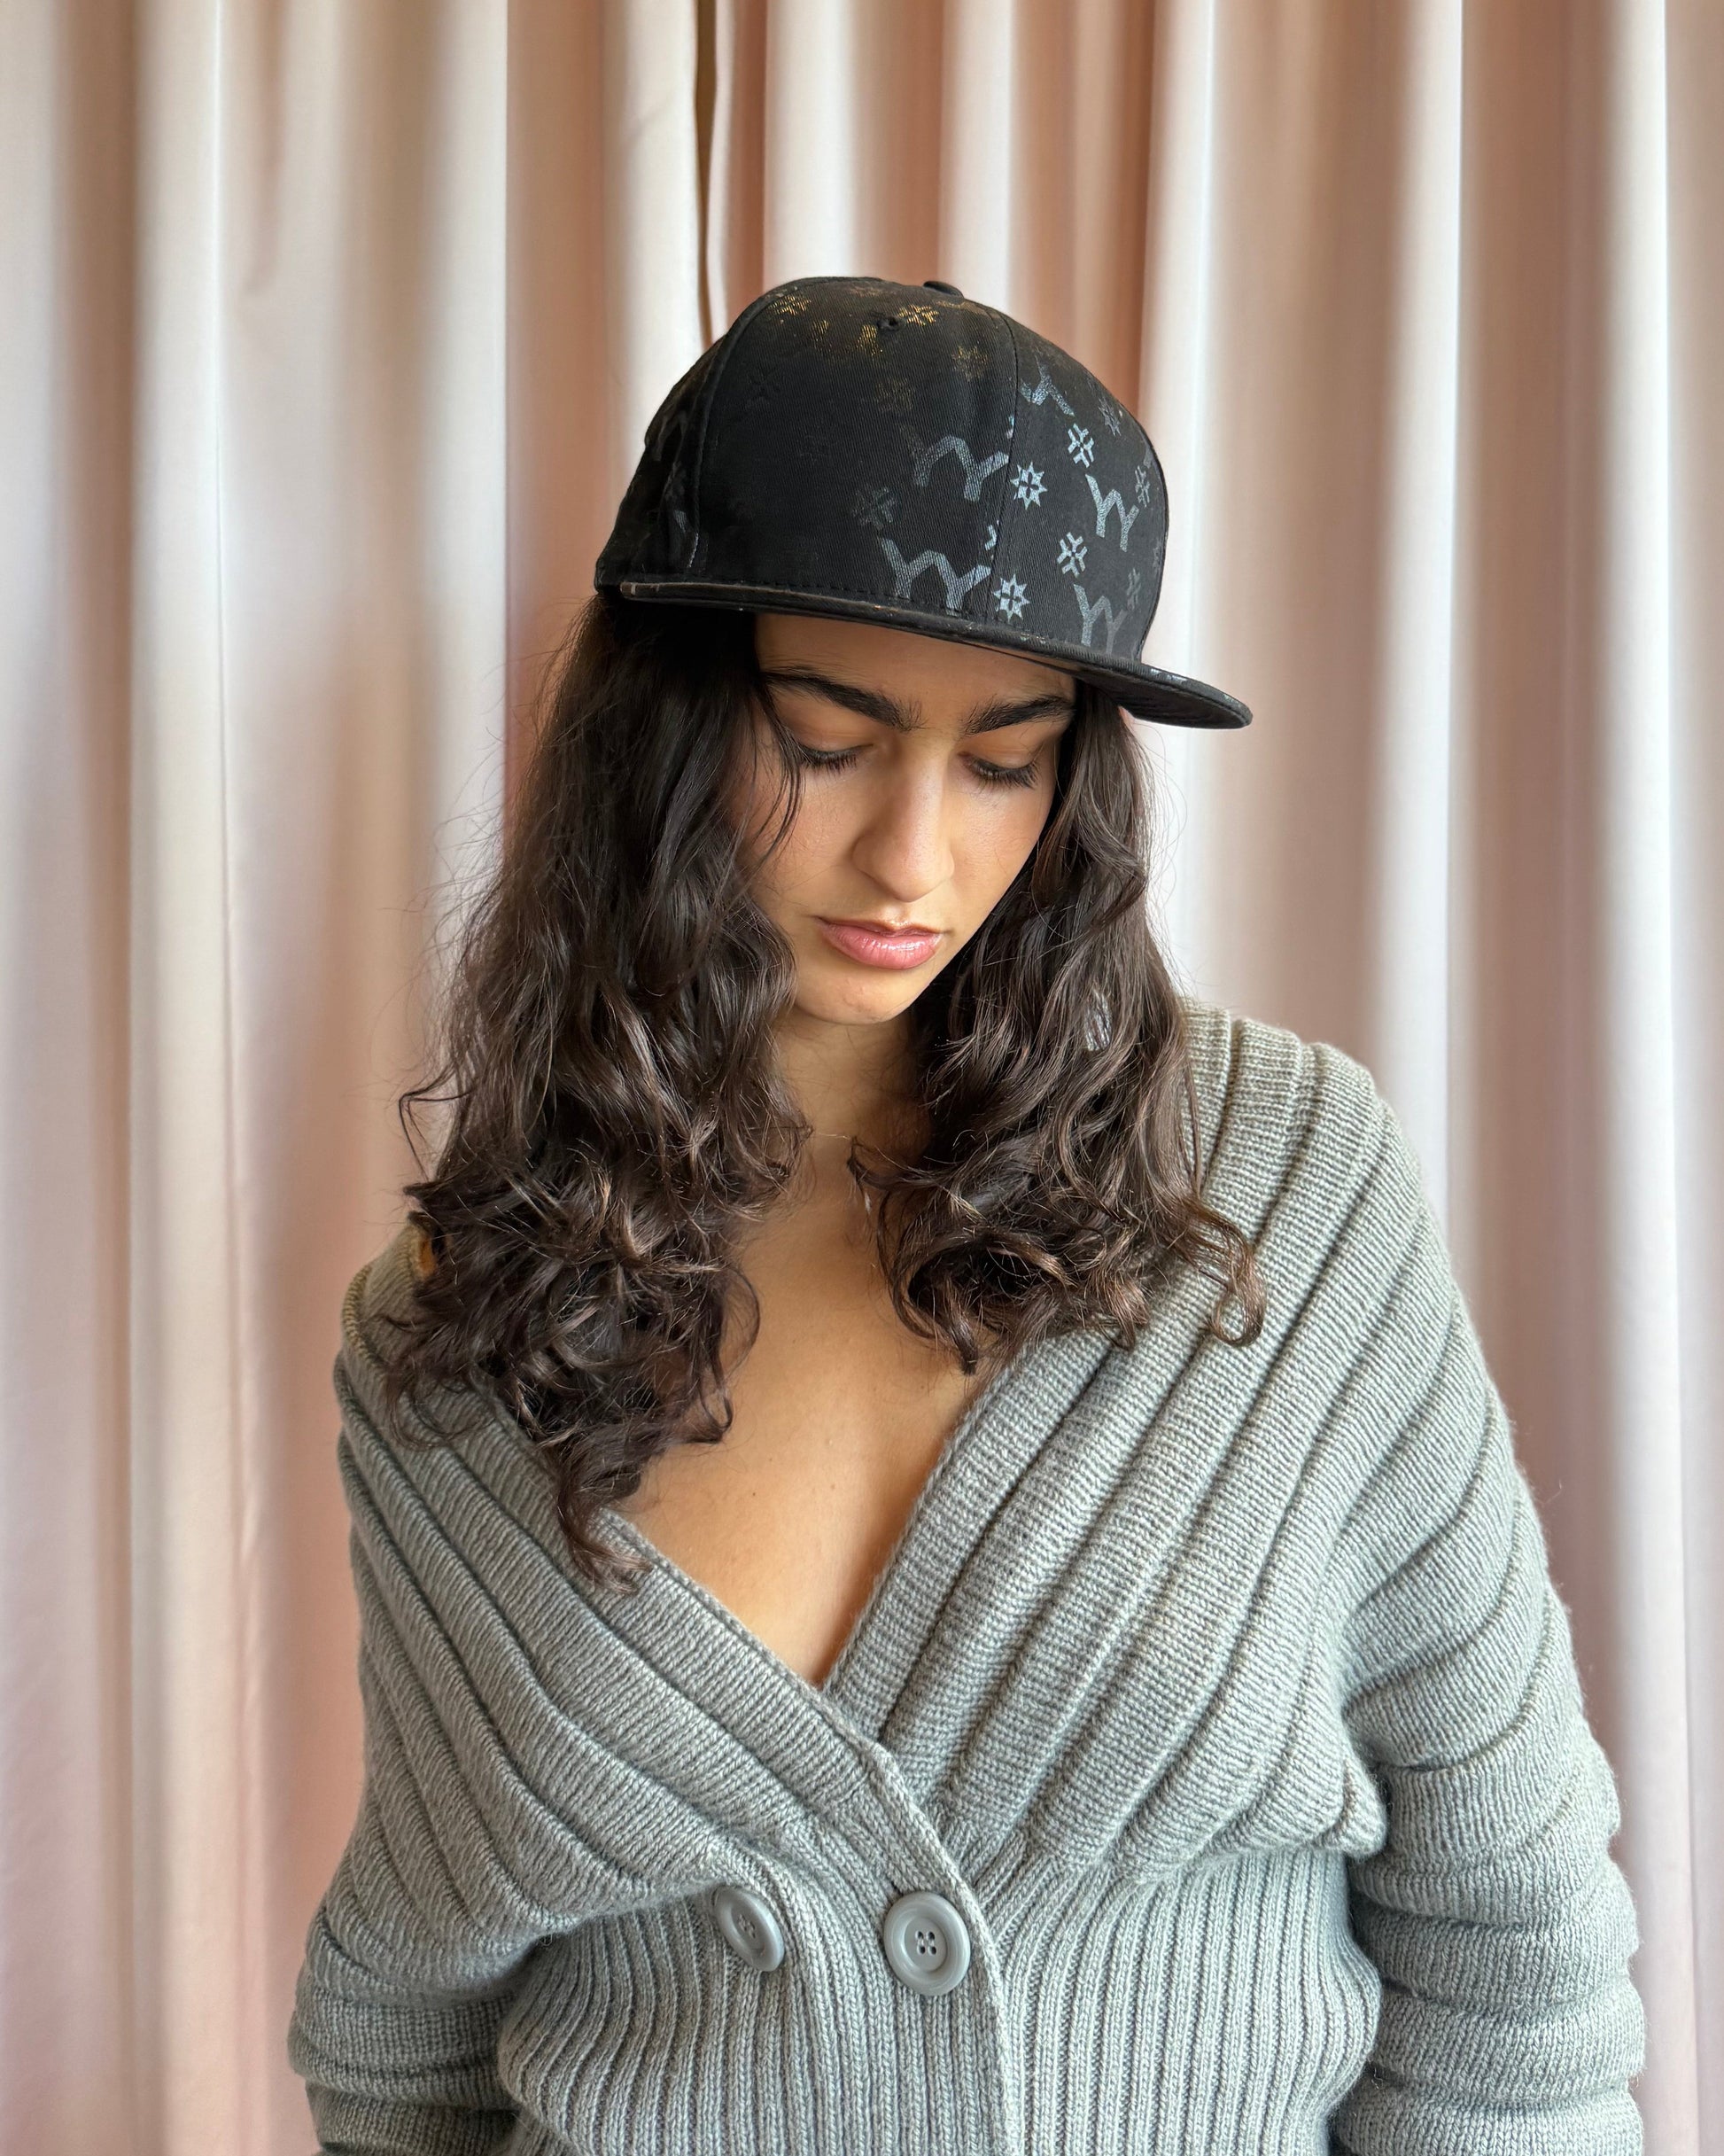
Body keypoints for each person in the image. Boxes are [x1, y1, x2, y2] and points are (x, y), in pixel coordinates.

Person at [287, 277, 1644, 2153]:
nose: (914, 855)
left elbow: (1516, 1952)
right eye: (827, 739)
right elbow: (405, 2018)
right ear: (661, 731)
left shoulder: (1280, 1193)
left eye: (1004, 758)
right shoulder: (455, 1323)